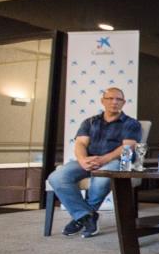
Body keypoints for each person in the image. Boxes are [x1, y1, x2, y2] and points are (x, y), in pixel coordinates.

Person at [48, 87, 142, 238]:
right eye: (110, 98)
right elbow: (80, 144)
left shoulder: (131, 123)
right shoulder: (90, 122)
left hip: (116, 161)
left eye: (118, 99)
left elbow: (127, 147)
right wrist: (83, 160)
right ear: (102, 101)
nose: (114, 102)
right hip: (90, 159)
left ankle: (82, 217)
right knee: (56, 177)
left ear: (123, 103)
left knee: (101, 178)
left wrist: (104, 159)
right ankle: (87, 216)